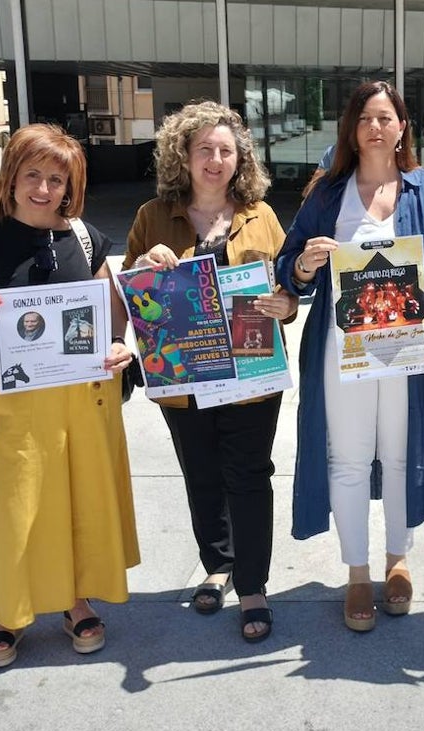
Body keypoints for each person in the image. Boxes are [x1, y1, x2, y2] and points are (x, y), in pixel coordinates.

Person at [276, 80, 424, 633]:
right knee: (350, 458)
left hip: (409, 349)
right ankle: (358, 573)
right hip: (345, 349)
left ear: (402, 126)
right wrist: (307, 264)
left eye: (386, 117)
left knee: (404, 452)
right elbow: (290, 267)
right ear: (352, 130)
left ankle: (397, 559)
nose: (376, 127)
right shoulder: (326, 193)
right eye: (365, 118)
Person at [0, 123, 139, 668]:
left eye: (55, 179)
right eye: (32, 175)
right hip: (21, 399)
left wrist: (118, 347)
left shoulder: (87, 239)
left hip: (85, 396)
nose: (43, 188)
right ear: (11, 178)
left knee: (79, 498)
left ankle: (75, 601)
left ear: (70, 186)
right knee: (18, 505)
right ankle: (9, 611)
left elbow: (112, 315)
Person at [123, 101, 297, 643]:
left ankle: (252, 586)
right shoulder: (153, 216)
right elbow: (128, 294)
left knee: (247, 475)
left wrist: (283, 306)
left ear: (239, 157)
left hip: (250, 371)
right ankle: (217, 565)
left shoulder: (261, 215)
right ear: (184, 154)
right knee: (201, 474)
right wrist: (143, 267)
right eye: (205, 150)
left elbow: (289, 291)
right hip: (184, 372)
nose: (215, 160)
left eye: (225, 150)